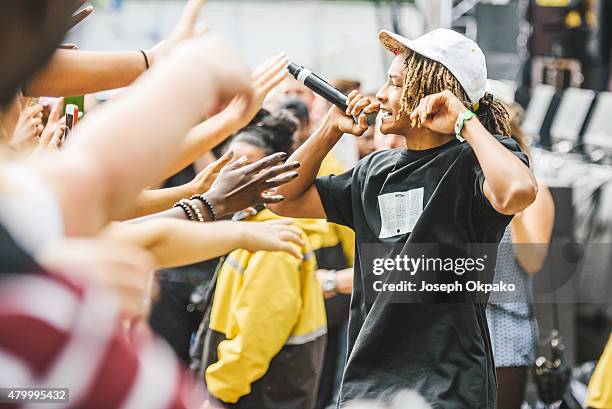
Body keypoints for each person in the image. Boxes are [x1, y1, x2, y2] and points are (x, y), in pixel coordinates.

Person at [268, 28, 537, 408]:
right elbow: (280, 198)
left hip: (448, 388)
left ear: (434, 92)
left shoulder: (473, 164)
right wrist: (329, 129)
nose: (380, 95)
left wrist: (463, 120)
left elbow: (518, 192)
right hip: (368, 385)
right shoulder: (374, 171)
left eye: (395, 84)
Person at [191, 110, 327, 409]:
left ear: (275, 177)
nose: (231, 178)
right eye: (227, 166)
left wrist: (219, 393)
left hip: (256, 396)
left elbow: (256, 338)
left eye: (245, 170)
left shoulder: (270, 241)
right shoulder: (247, 228)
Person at [484, 80, 556, 409]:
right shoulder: (467, 183)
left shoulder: (534, 192)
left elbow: (532, 260)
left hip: (505, 330)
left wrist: (514, 200)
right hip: (458, 326)